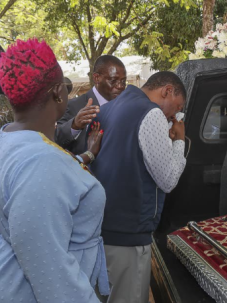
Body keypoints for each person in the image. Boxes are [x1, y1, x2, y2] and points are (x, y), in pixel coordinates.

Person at [0, 39, 108, 302]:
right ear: (58, 92)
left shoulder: (11, 140)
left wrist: (88, 154)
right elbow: (52, 275)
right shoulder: (41, 163)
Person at [91, 71, 187, 303]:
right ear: (167, 91)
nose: (175, 114)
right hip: (129, 234)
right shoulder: (151, 113)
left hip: (102, 228)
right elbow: (168, 180)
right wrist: (179, 141)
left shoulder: (109, 108)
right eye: (177, 105)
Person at [56, 55, 127, 154]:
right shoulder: (74, 106)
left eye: (123, 81)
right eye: (113, 81)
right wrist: (74, 126)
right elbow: (55, 141)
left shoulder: (126, 107)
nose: (120, 86)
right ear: (96, 78)